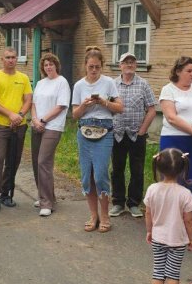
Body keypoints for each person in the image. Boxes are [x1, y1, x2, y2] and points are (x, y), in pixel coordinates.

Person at [72, 46, 124, 233]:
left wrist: (104, 102)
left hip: (104, 132)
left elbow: (120, 108)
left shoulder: (109, 82)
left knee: (101, 174)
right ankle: (93, 215)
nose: (94, 70)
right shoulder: (79, 85)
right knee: (87, 176)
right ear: (85, 66)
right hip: (84, 131)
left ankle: (105, 215)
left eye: (97, 67)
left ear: (102, 67)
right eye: (91, 67)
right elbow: (74, 115)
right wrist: (85, 106)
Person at [159, 56, 192, 240]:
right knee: (174, 183)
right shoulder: (168, 90)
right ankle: (171, 228)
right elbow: (171, 117)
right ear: (178, 71)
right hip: (174, 140)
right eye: (189, 71)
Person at [145, 148, 192, 284]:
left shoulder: (152, 189)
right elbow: (189, 220)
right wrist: (191, 238)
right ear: (182, 170)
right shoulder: (185, 193)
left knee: (158, 272)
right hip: (177, 240)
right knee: (173, 274)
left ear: (158, 167)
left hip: (158, 238)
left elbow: (148, 213)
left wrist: (149, 231)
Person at [0, 47, 33, 213]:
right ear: (2, 59)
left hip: (19, 126)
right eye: (7, 57)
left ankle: (6, 194)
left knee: (13, 161)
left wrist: (19, 115)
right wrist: (10, 115)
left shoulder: (24, 78)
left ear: (17, 59)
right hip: (0, 125)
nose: (11, 60)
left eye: (13, 57)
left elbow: (28, 100)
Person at [111, 52, 157, 218]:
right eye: (126, 62)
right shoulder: (113, 84)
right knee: (117, 169)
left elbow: (152, 109)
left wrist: (143, 130)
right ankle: (117, 202)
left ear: (136, 65)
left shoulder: (143, 84)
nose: (129, 64)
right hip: (117, 133)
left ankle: (134, 203)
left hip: (137, 134)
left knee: (137, 169)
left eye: (132, 61)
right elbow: (107, 106)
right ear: (120, 65)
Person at [30, 53, 71, 217]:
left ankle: (47, 203)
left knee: (43, 161)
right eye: (46, 64)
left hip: (53, 126)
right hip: (37, 125)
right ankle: (45, 196)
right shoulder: (40, 83)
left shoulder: (62, 82)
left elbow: (61, 106)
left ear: (56, 65)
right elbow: (33, 104)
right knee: (35, 161)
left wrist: (43, 120)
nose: (48, 67)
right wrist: (34, 119)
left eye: (51, 64)